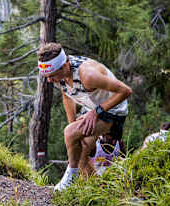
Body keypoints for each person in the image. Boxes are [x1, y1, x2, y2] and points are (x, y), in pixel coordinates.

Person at [37, 43, 132, 192]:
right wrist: (74, 128)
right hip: (93, 108)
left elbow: (125, 91)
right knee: (79, 148)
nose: (49, 80)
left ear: (65, 65)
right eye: (46, 76)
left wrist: (96, 112)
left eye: (52, 75)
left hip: (114, 110)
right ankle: (97, 190)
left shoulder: (88, 76)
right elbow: (67, 97)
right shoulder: (60, 75)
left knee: (69, 133)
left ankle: (70, 177)